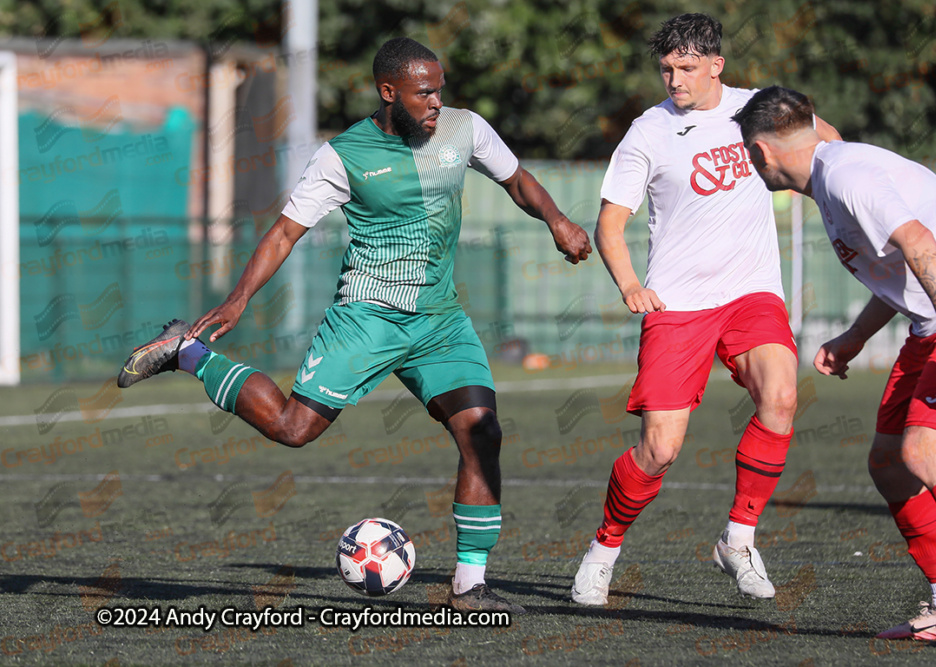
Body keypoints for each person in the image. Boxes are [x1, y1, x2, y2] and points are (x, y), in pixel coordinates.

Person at [118, 36, 592, 615]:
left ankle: (471, 582)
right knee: (293, 428)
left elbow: (516, 179)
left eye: (440, 89)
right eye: (424, 93)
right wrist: (239, 297)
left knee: (482, 431)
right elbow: (287, 230)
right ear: (389, 92)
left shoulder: (466, 129)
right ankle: (187, 353)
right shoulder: (342, 155)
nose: (437, 101)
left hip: (439, 320)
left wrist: (559, 221)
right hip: (366, 317)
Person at [571, 13, 841, 606]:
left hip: (751, 293)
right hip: (678, 304)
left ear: (716, 65)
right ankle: (603, 548)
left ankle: (738, 539)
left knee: (782, 395)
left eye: (687, 68)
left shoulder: (760, 108)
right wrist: (629, 286)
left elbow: (834, 148)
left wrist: (852, 207)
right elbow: (610, 226)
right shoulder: (647, 132)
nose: (674, 79)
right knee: (660, 449)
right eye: (666, 69)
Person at [733, 85, 936, 640]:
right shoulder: (833, 171)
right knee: (888, 462)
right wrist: (855, 336)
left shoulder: (847, 176)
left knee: (926, 449)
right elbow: (897, 266)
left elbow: (919, 241)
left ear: (759, 153)